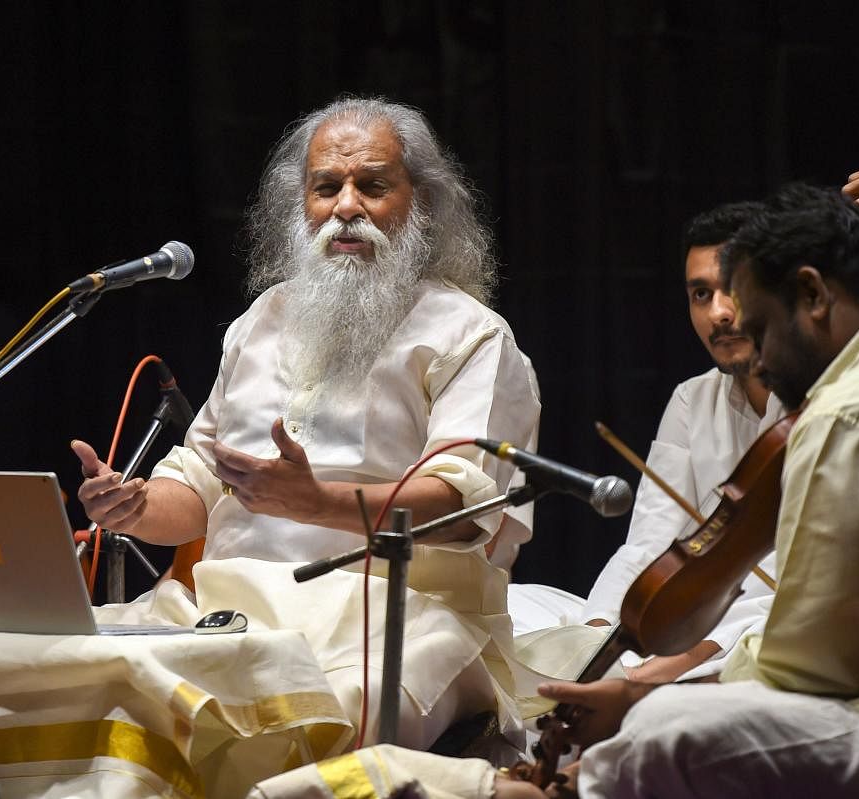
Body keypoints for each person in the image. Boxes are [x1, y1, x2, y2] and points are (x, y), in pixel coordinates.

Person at [72, 97, 541, 748]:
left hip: (397, 618)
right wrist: (133, 506)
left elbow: (461, 510)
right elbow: (198, 491)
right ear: (302, 206)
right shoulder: (261, 322)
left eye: (373, 186)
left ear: (423, 207)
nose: (346, 205)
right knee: (79, 676)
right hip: (227, 614)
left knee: (302, 723)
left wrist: (316, 501)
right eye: (327, 187)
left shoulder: (471, 336)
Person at [533, 184, 859, 798]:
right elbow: (651, 541)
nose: (756, 358)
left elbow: (818, 665)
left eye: (760, 327)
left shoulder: (847, 412)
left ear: (813, 294)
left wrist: (643, 694)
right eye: (699, 296)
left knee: (666, 729)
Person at [578, 202, 786, 682]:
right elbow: (650, 542)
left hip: (763, 634)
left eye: (735, 289)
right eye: (700, 294)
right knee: (526, 613)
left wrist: (674, 666)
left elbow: (792, 582)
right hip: (688, 629)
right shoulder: (693, 399)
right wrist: (592, 645)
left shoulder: (821, 399)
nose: (718, 313)